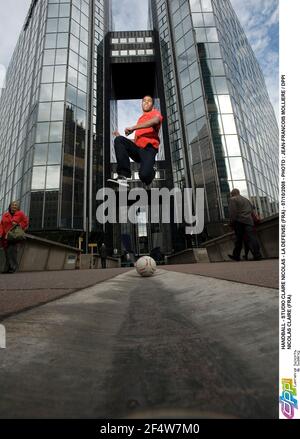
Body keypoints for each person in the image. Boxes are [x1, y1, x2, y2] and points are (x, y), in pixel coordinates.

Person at [108, 96, 163, 187]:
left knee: (144, 176)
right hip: (137, 149)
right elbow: (136, 140)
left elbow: (156, 120)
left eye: (149, 101)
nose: (146, 102)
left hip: (148, 149)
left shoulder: (154, 113)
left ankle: (151, 171)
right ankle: (123, 176)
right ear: (141, 104)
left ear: (152, 106)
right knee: (119, 140)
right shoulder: (140, 119)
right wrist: (121, 137)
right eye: (144, 101)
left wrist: (133, 128)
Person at [228, 189, 262, 262]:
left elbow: (233, 212)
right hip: (249, 221)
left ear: (232, 193)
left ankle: (236, 256)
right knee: (252, 238)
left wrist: (231, 222)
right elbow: (252, 210)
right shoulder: (246, 200)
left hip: (239, 221)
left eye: (231, 193)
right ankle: (257, 255)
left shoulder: (233, 199)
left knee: (238, 239)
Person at [0, 201, 29, 273]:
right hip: (5, 237)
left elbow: (25, 222)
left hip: (14, 236)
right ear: (10, 206)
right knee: (7, 253)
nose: (14, 206)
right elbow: (1, 224)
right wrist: (0, 233)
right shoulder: (5, 215)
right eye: (13, 205)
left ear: (18, 207)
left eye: (16, 205)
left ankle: (13, 268)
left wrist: (19, 225)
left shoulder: (20, 214)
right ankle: (8, 268)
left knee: (12, 251)